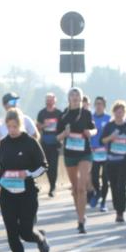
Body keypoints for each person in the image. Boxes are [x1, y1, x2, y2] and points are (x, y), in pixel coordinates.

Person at [0, 109, 50, 252]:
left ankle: (39, 239)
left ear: (21, 125)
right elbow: (4, 169)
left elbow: (43, 166)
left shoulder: (30, 142)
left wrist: (28, 173)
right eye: (8, 127)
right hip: (8, 194)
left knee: (25, 232)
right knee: (11, 232)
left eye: (15, 126)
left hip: (28, 193)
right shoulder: (4, 144)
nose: (12, 130)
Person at [56, 88, 95, 234]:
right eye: (72, 94)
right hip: (70, 154)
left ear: (81, 98)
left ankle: (80, 221)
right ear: (68, 98)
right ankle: (81, 214)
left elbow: (94, 129)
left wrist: (90, 132)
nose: (75, 97)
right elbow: (56, 137)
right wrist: (64, 134)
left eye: (77, 94)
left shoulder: (86, 113)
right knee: (74, 189)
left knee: (81, 187)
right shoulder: (63, 115)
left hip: (85, 153)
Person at [99, 100, 126, 223]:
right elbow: (102, 141)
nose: (119, 114)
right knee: (114, 187)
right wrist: (111, 137)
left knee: (122, 186)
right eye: (117, 111)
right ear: (114, 112)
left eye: (122, 111)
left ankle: (120, 212)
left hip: (125, 161)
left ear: (125, 113)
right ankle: (117, 209)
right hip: (111, 161)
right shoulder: (109, 126)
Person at [36, 92, 62, 197]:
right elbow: (37, 127)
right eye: (47, 99)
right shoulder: (42, 113)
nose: (49, 101)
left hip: (55, 143)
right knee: (47, 166)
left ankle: (53, 187)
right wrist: (44, 125)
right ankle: (51, 184)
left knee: (54, 166)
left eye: (51, 99)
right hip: (45, 143)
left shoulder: (59, 113)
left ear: (55, 100)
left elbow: (63, 127)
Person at [89, 96, 111, 211]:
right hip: (94, 152)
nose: (98, 106)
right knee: (94, 177)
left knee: (105, 178)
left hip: (106, 152)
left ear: (104, 106)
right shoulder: (90, 118)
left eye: (101, 104)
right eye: (96, 103)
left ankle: (103, 202)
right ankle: (98, 192)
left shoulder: (109, 118)